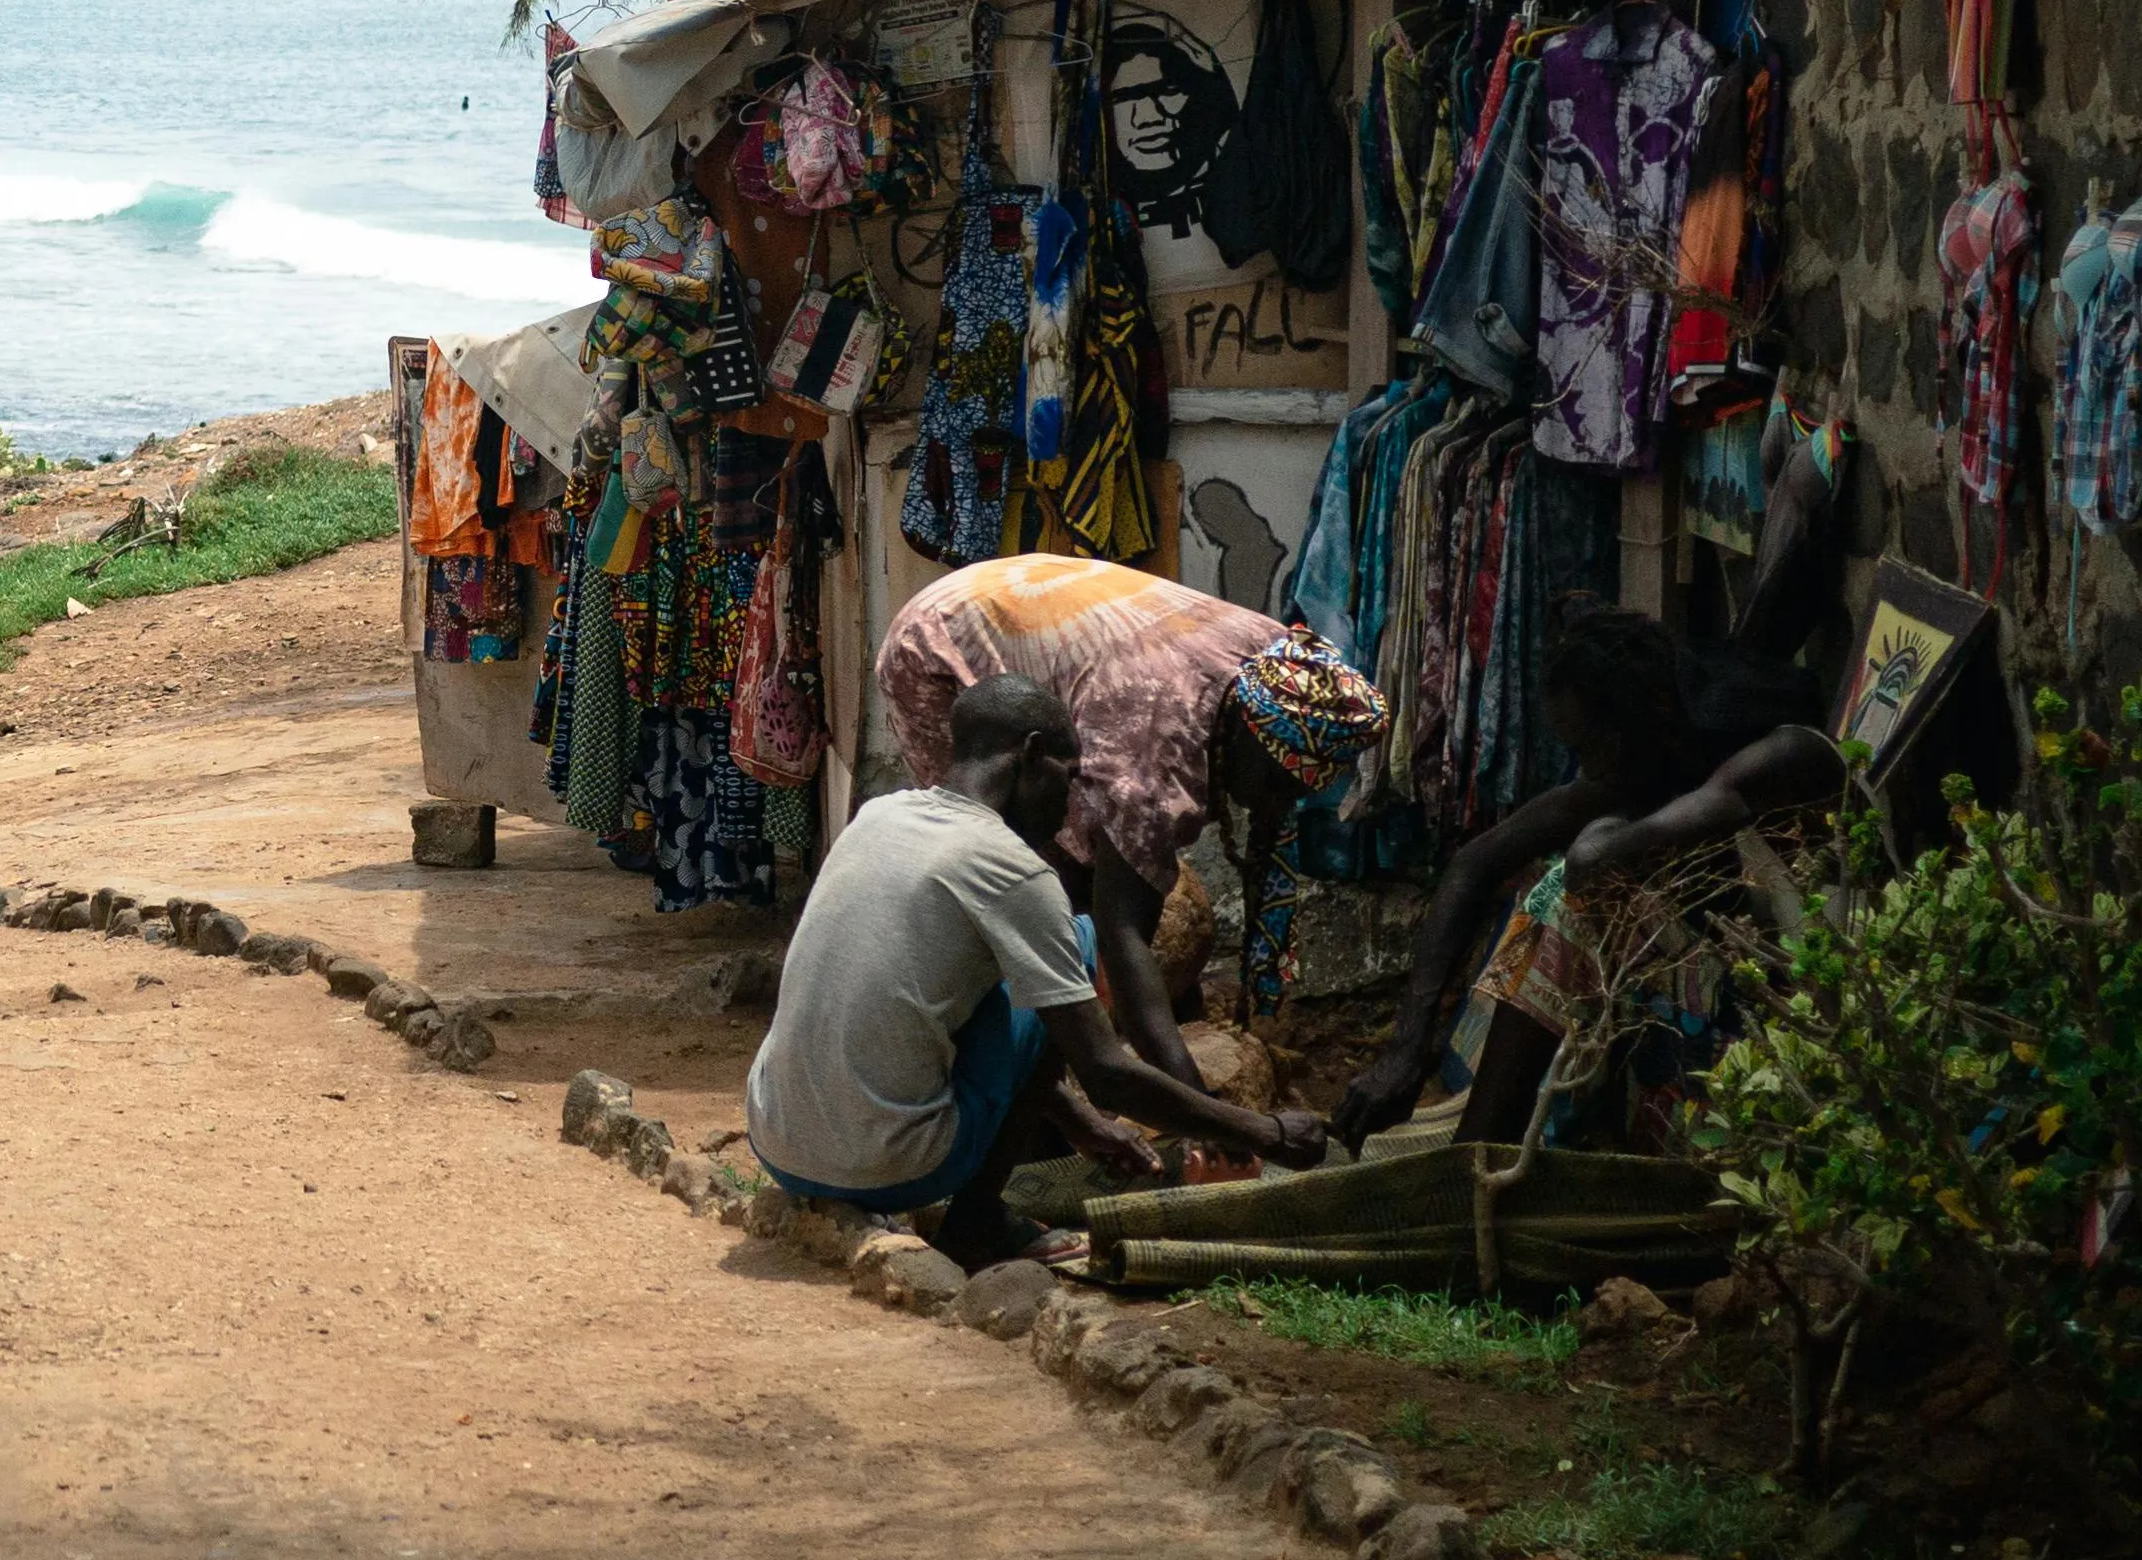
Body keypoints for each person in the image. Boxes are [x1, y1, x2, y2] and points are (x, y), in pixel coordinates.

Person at [1327, 421, 1850, 1153]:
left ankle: (1480, 1158)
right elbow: (1476, 862)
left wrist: (1584, 843)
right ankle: (1479, 1150)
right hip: (1720, 1001)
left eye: (1593, 747)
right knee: (1555, 899)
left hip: (1815, 1030)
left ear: (1650, 716)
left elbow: (1594, 862)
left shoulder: (1766, 756)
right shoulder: (1650, 752)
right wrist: (1404, 1048)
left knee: (1567, 904)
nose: (1588, 769)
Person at [750, 675, 1330, 1268]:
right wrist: (1265, 1133)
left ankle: (929, 1170)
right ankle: (975, 1222)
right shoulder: (1015, 872)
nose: (1073, 800)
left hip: (776, 1140)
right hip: (888, 1168)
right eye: (1070, 775)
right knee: (1076, 942)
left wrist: (1078, 1122)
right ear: (1030, 756)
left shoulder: (878, 816)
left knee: (996, 980)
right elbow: (1105, 1072)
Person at [874, 552, 1387, 1167]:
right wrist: (1208, 1118)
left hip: (1020, 603)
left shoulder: (1280, 666)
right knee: (1018, 896)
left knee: (1070, 906)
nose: (1281, 803)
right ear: (1251, 740)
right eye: (1278, 785)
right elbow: (1124, 937)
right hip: (940, 642)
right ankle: (1013, 1122)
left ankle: (1044, 1096)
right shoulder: (1158, 743)